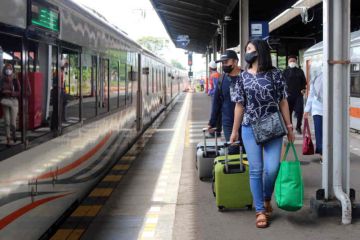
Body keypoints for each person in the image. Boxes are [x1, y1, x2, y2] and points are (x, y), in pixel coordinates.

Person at [229, 40, 295, 228]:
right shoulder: (242, 77)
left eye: (249, 49)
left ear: (260, 51)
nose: (247, 53)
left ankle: (267, 197)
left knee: (273, 168)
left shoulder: (276, 74)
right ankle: (260, 210)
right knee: (256, 169)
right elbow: (239, 105)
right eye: (246, 50)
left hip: (273, 126)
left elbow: (283, 101)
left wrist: (290, 127)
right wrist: (234, 131)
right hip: (249, 127)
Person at [208, 50, 242, 153]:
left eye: (226, 62)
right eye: (222, 63)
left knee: (245, 150)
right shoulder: (221, 79)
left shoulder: (246, 77)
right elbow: (216, 102)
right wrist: (212, 122)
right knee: (233, 149)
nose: (224, 65)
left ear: (235, 62)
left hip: (246, 121)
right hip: (227, 121)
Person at [283, 55, 307, 134]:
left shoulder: (300, 71)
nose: (292, 62)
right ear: (288, 62)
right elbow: (281, 83)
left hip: (298, 95)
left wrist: (303, 89)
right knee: (288, 112)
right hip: (288, 95)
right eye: (291, 61)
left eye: (294, 61)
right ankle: (290, 128)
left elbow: (304, 82)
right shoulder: (285, 71)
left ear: (296, 62)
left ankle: (298, 127)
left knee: (300, 111)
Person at [304, 69, 323, 161]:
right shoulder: (316, 76)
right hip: (317, 110)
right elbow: (311, 94)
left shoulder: (334, 74)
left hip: (331, 110)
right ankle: (322, 154)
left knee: (329, 132)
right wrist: (307, 110)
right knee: (319, 132)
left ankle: (330, 152)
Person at [0, 63, 21, 147]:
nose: (8, 70)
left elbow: (19, 92)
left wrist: (11, 93)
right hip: (5, 101)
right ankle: (8, 138)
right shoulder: (1, 80)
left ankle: (14, 134)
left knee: (13, 122)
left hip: (14, 101)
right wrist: (2, 92)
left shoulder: (15, 79)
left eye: (10, 68)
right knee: (7, 121)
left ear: (12, 70)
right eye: (6, 68)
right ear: (4, 70)